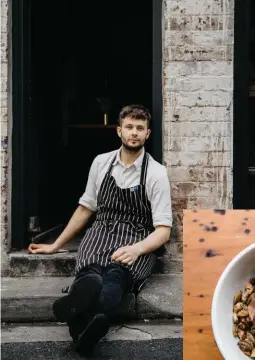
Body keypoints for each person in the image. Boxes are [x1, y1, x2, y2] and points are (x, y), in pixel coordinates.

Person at [28, 104, 172, 356]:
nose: (134, 133)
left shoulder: (156, 174)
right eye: (129, 127)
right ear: (119, 131)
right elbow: (86, 208)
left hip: (136, 237)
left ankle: (77, 318)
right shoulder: (101, 163)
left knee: (117, 275)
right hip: (101, 231)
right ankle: (90, 323)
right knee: (91, 272)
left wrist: (137, 249)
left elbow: (163, 230)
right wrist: (56, 245)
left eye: (140, 128)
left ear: (148, 134)